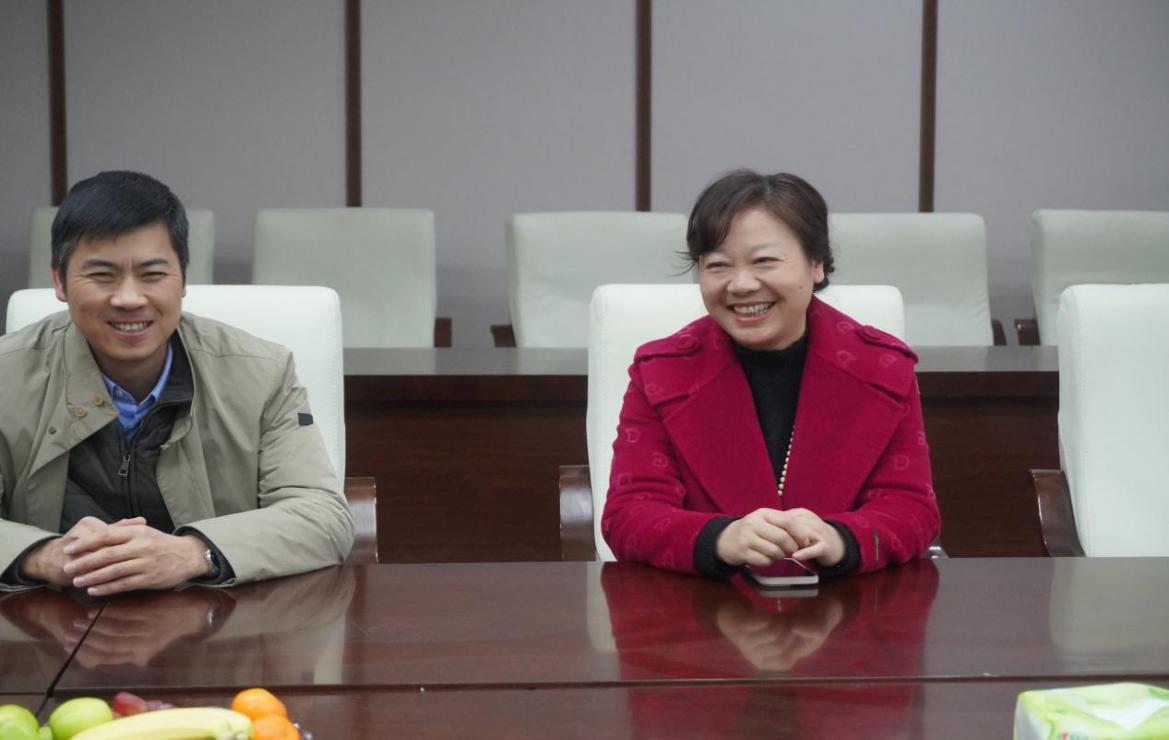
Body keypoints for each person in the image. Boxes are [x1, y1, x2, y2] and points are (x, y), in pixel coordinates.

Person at [0, 171, 354, 595]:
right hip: (51, 619)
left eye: (152, 274)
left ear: (183, 279)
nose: (129, 298)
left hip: (219, 621)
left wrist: (192, 554)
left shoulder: (262, 373)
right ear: (59, 281)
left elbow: (322, 517)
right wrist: (44, 556)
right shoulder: (6, 374)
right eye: (102, 275)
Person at [601, 170, 940, 577]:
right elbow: (629, 515)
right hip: (703, 606)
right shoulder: (662, 372)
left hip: (844, 605)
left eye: (764, 261)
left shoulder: (882, 366)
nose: (741, 284)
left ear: (817, 264)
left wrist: (840, 539)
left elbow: (912, 509)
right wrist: (722, 538)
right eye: (718, 265)